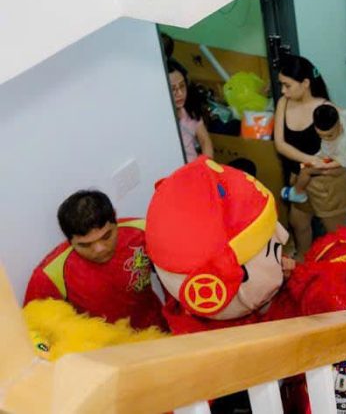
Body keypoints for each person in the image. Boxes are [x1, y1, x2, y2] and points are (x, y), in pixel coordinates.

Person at [24, 190, 166, 330]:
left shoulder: (144, 231)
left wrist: (176, 324)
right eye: (85, 245)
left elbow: (174, 280)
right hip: (103, 344)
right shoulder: (50, 274)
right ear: (69, 240)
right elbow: (34, 332)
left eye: (106, 236)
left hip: (159, 332)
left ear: (115, 217)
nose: (100, 249)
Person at [273, 55, 346, 259]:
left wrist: (342, 161)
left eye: (287, 85)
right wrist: (310, 160)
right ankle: (304, 263)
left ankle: (341, 269)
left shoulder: (325, 108)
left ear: (305, 83)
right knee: (298, 224)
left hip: (327, 184)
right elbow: (280, 144)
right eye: (281, 85)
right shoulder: (283, 103)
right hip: (300, 180)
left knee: (337, 237)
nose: (283, 91)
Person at [281, 105, 346, 256]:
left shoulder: (340, 143)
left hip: (328, 174)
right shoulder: (336, 115)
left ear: (339, 126)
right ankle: (304, 256)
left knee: (336, 234)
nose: (326, 138)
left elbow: (342, 162)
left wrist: (322, 166)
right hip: (311, 176)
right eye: (321, 135)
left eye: (330, 135)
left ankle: (297, 191)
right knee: (298, 223)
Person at [167, 59, 213, 162]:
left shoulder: (189, 111)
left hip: (193, 168)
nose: (180, 93)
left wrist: (207, 165)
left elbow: (205, 141)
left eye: (182, 86)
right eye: (173, 89)